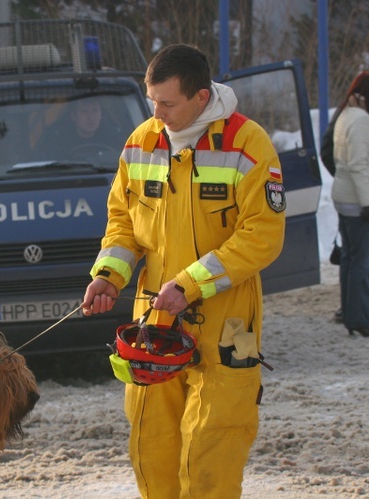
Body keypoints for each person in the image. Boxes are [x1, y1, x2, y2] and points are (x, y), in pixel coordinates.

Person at [80, 44, 286, 498]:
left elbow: (262, 236)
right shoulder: (141, 142)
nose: (158, 112)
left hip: (229, 322)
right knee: (150, 440)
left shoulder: (247, 144)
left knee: (214, 442)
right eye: (152, 100)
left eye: (167, 103)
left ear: (200, 96)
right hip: (154, 318)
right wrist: (108, 276)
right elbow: (123, 222)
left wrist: (191, 285)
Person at [331, 71, 369, 338]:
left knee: (349, 259)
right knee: (361, 263)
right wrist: (368, 204)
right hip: (356, 199)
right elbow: (359, 165)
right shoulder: (362, 120)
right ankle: (360, 318)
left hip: (343, 196)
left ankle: (351, 314)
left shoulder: (346, 114)